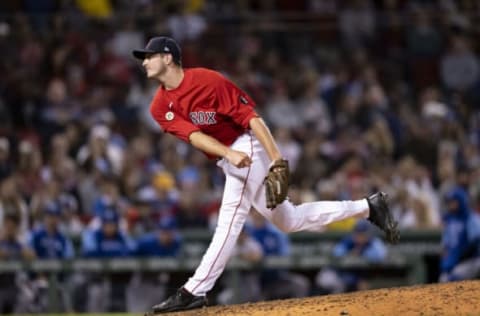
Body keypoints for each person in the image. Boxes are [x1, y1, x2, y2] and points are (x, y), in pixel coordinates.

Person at [132, 36, 400, 314]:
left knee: (230, 218)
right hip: (231, 155)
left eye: (149, 56)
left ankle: (194, 290)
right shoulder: (159, 106)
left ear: (167, 58)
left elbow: (251, 118)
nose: (144, 62)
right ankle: (369, 206)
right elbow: (195, 137)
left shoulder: (207, 80)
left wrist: (277, 159)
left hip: (247, 145)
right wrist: (228, 154)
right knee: (289, 220)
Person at [315, 219, 388, 294]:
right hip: (343, 274)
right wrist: (350, 252)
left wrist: (362, 252)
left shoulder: (373, 242)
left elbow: (380, 256)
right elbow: (336, 253)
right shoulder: (349, 241)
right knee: (329, 281)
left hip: (365, 276)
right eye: (358, 233)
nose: (360, 236)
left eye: (363, 234)